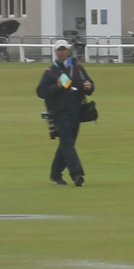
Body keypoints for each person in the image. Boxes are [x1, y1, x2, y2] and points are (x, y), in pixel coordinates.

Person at [37, 40, 95, 187]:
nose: (62, 52)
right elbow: (41, 92)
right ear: (55, 52)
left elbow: (88, 84)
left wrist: (89, 86)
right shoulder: (51, 72)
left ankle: (55, 173)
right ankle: (76, 174)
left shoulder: (77, 68)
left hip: (76, 111)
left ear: (68, 51)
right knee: (67, 143)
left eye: (64, 49)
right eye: (59, 50)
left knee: (67, 144)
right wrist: (56, 86)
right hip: (59, 113)